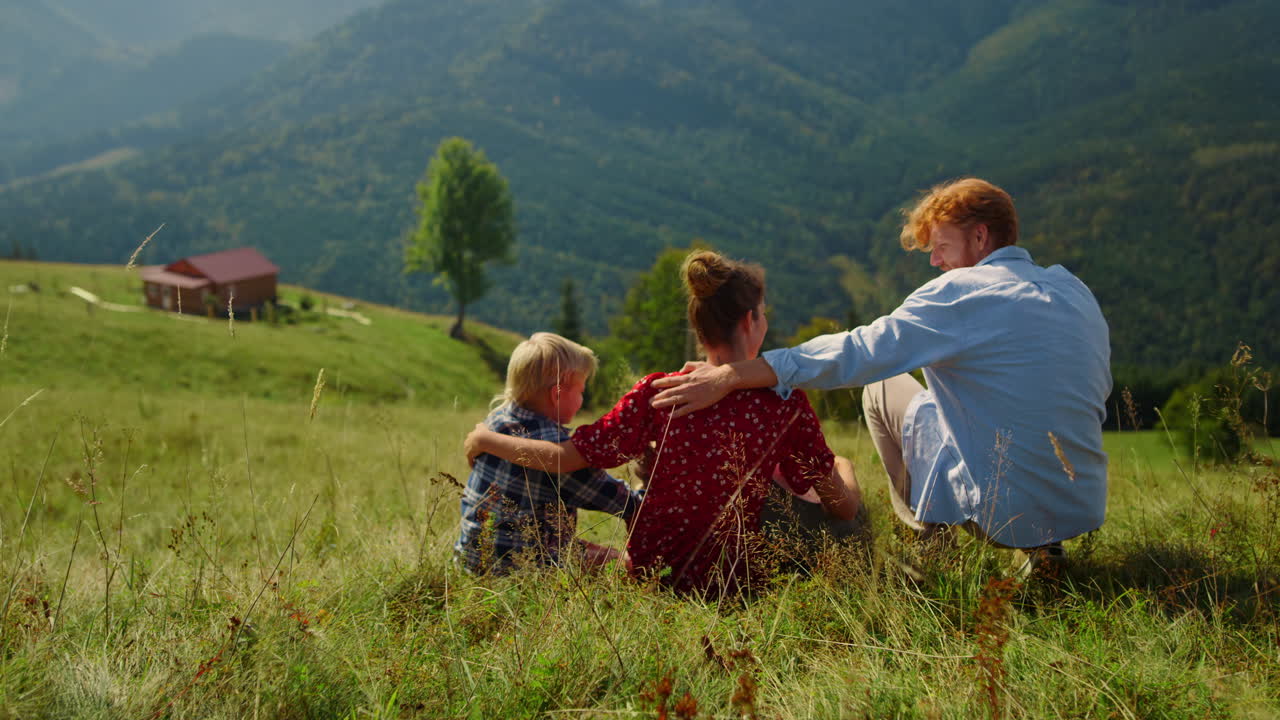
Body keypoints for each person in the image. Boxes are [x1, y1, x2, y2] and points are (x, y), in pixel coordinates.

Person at [652, 178, 1111, 567]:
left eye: (942, 247)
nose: (935, 261)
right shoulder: (1073, 289)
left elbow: (859, 351)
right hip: (1082, 500)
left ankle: (930, 548)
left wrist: (733, 375)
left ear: (980, 238)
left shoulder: (958, 293)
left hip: (1004, 512)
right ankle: (1044, 551)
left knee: (881, 384)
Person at [465, 251, 862, 594]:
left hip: (650, 572)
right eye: (763, 315)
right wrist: (845, 465)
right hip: (729, 580)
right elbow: (843, 507)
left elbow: (564, 457)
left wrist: (486, 438)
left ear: (699, 330)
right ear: (749, 321)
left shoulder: (660, 392)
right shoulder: (786, 404)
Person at [454, 332, 642, 574]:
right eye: (581, 390)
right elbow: (621, 502)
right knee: (623, 564)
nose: (582, 400)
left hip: (471, 560)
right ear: (557, 394)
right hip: (522, 569)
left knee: (580, 547)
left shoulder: (495, 423)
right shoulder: (554, 450)